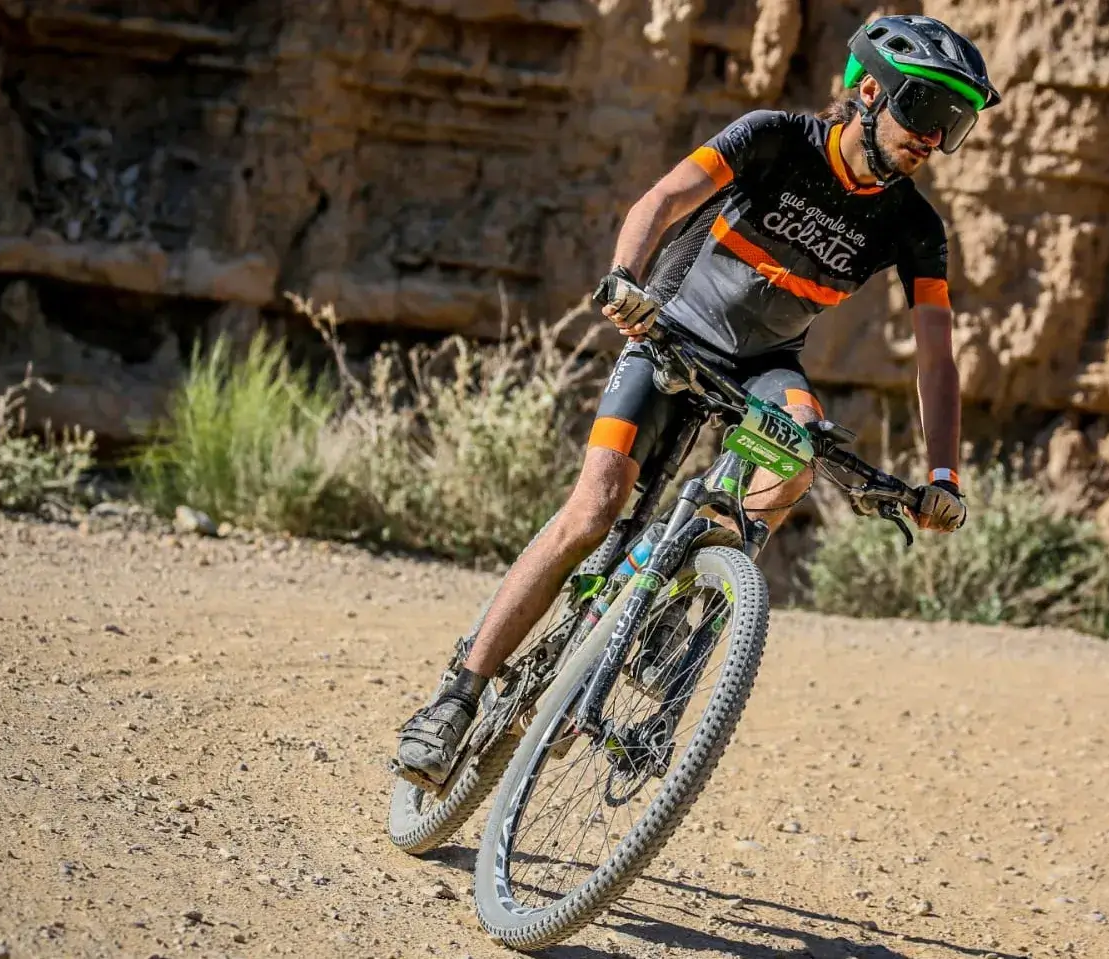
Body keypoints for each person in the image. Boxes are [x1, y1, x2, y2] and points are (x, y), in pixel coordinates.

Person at [393, 14, 1003, 790]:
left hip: (763, 365)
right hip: (668, 332)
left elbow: (938, 357)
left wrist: (943, 475)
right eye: (922, 110)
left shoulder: (914, 224)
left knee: (799, 449)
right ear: (870, 91)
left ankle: (676, 593)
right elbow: (664, 197)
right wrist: (625, 277)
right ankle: (456, 696)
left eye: (953, 125)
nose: (932, 137)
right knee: (592, 511)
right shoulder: (774, 136)